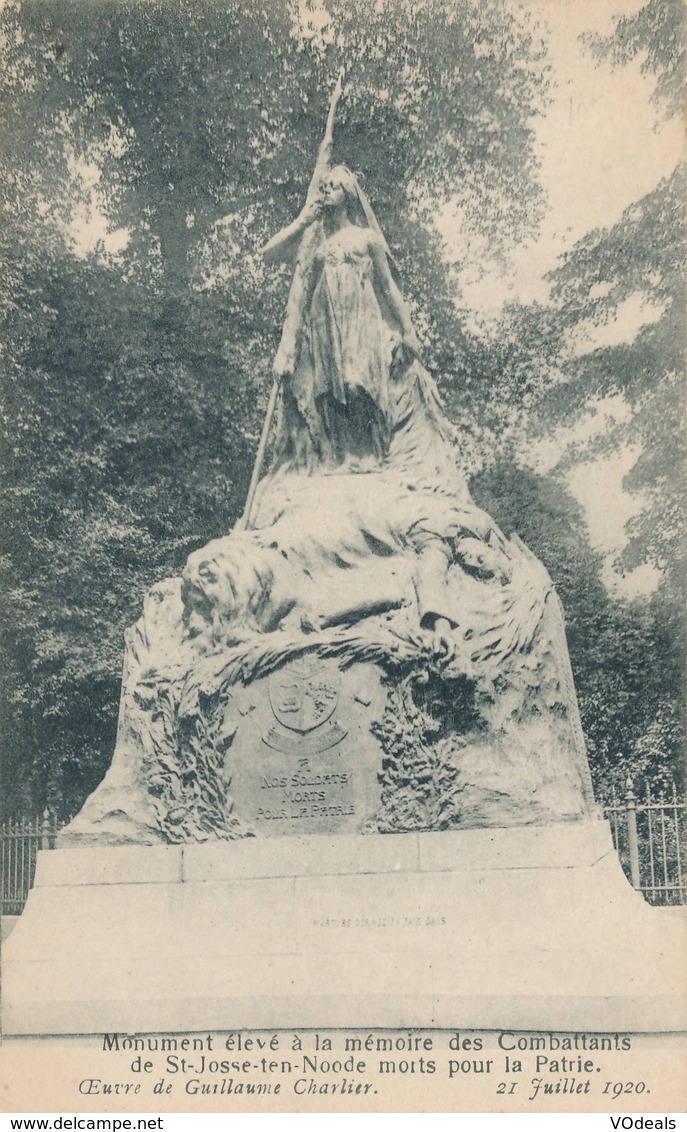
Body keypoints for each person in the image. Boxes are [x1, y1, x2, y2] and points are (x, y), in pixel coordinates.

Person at [262, 75, 420, 471]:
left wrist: (408, 330)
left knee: (359, 380)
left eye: (332, 187)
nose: (325, 191)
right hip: (324, 318)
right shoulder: (315, 243)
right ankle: (343, 456)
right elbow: (271, 257)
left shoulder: (367, 239)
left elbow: (388, 288)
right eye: (324, 186)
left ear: (348, 195)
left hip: (359, 317)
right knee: (330, 388)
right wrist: (302, 221)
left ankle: (371, 455)